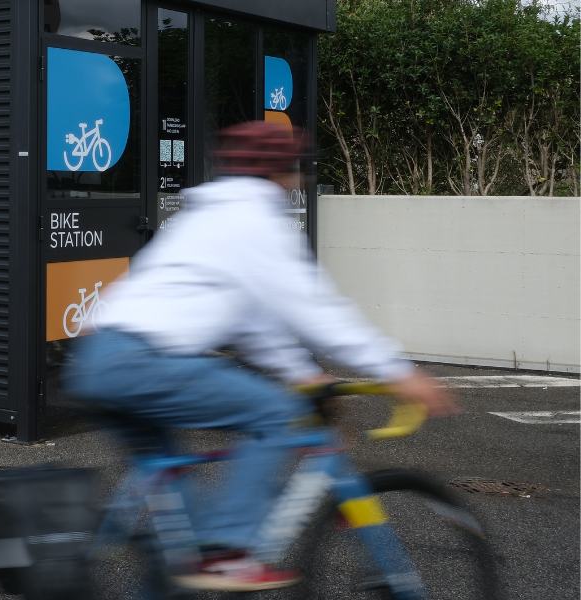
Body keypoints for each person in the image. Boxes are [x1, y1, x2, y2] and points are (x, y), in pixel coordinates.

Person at [65, 121, 457, 592]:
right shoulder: (255, 220)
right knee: (275, 413)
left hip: (100, 359)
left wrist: (303, 374)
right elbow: (315, 310)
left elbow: (254, 323)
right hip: (142, 361)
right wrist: (397, 371)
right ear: (281, 172)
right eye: (296, 170)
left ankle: (184, 567)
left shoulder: (210, 215)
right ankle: (229, 552)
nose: (298, 179)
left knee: (179, 528)